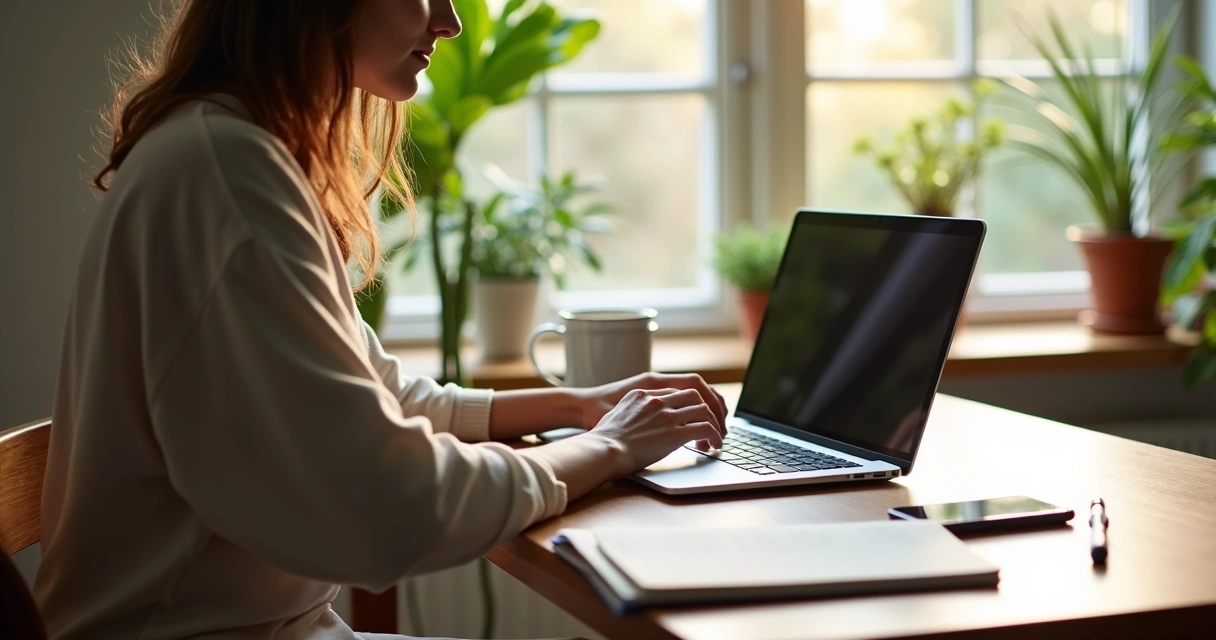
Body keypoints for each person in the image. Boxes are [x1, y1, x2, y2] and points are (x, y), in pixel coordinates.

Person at [31, 1, 728, 638]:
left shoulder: (236, 150)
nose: (448, 22)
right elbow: (389, 507)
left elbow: (381, 397)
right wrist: (609, 448)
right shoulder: (226, 174)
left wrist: (578, 406)